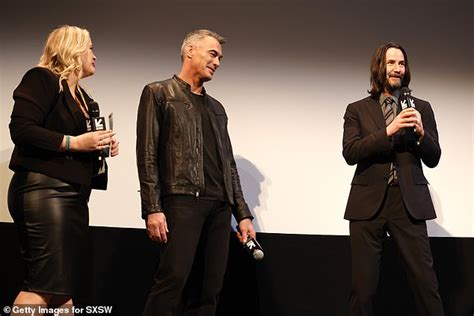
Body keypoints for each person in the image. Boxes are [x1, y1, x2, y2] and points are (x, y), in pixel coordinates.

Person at [136, 29, 256, 316]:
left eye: (220, 58)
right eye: (212, 54)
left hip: (219, 206)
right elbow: (147, 154)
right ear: (190, 51)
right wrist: (152, 208)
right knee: (172, 281)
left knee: (209, 289)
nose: (217, 62)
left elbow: (228, 164)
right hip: (181, 201)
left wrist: (243, 213)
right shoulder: (159, 92)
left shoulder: (217, 108)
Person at [7, 25, 119, 312]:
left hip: (75, 197)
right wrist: (75, 143)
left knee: (62, 293)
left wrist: (101, 149)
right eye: (90, 47)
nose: (95, 54)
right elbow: (21, 129)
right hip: (44, 192)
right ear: (73, 49)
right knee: (42, 288)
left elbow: (82, 146)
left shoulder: (85, 100)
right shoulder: (42, 79)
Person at [342, 43, 444, 316]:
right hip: (367, 204)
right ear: (379, 67)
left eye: (402, 63)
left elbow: (434, 158)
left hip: (407, 201)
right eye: (391, 63)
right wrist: (389, 130)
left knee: (425, 283)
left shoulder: (421, 107)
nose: (398, 68)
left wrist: (422, 133)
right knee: (362, 288)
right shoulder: (357, 109)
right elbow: (351, 152)